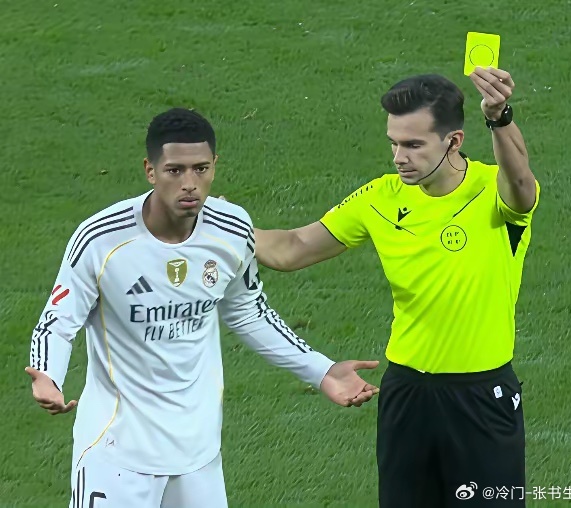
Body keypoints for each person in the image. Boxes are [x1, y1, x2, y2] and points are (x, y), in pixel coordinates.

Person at [26, 108, 380, 508]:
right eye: (175, 170)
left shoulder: (231, 228)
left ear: (215, 166)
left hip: (198, 454)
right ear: (150, 171)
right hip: (116, 452)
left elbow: (249, 312)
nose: (190, 184)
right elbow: (58, 320)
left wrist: (322, 370)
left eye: (201, 169)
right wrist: (48, 376)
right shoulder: (101, 239)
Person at [253, 68, 539, 507]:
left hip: (482, 395)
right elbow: (292, 249)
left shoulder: (491, 190)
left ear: (453, 141)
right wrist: (219, 228)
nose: (399, 157)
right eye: (394, 143)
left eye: (413, 145)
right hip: (407, 393)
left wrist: (499, 117)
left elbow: (521, 185)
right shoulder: (379, 198)